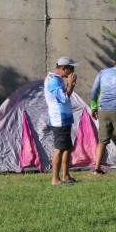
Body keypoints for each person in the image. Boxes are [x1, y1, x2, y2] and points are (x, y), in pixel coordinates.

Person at [44, 56, 79, 186]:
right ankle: (55, 179)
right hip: (59, 119)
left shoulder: (57, 79)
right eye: (71, 68)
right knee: (60, 148)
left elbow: (63, 95)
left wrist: (71, 85)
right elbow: (64, 98)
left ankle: (66, 176)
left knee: (67, 148)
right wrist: (70, 84)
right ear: (64, 68)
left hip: (64, 117)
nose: (73, 71)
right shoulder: (54, 81)